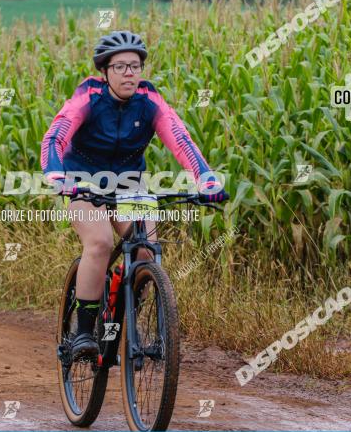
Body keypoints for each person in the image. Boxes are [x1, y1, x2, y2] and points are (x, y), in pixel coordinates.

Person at [40, 30, 228, 360]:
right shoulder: (87, 97)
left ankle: (123, 322)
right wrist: (55, 174)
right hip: (83, 182)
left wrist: (206, 179)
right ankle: (83, 332)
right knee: (99, 243)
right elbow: (55, 137)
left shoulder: (149, 100)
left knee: (145, 251)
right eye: (121, 66)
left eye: (136, 65)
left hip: (129, 184)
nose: (129, 73)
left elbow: (180, 140)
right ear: (105, 71)